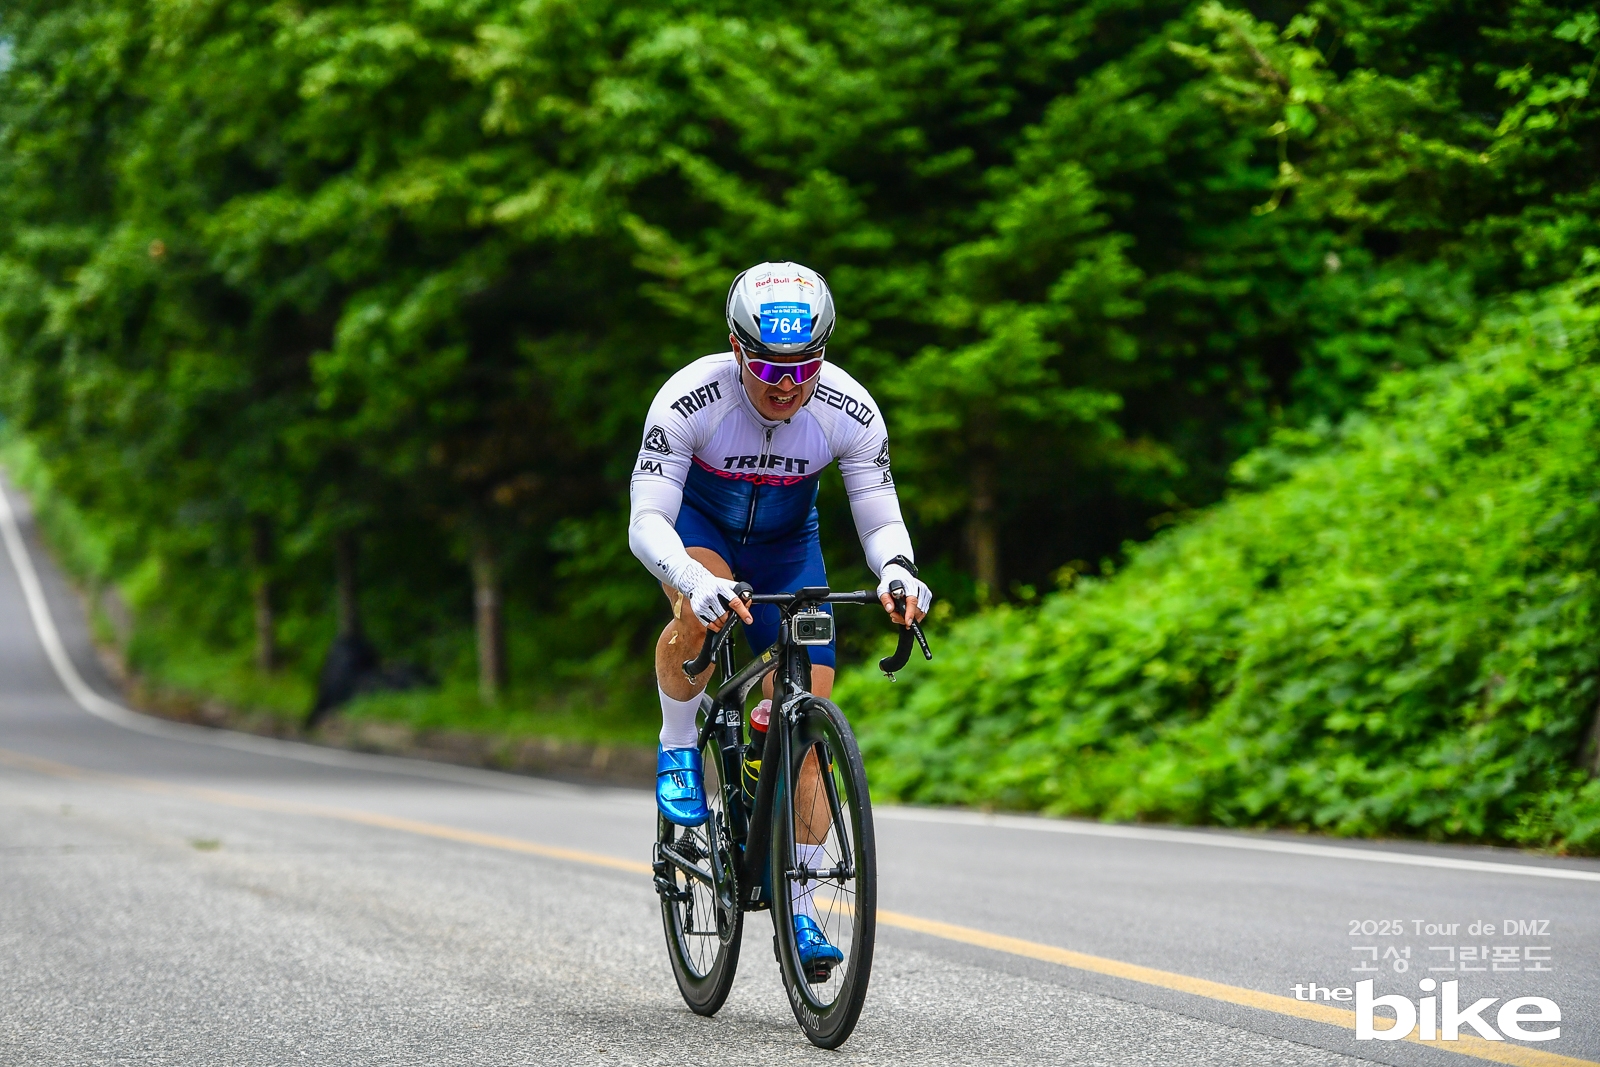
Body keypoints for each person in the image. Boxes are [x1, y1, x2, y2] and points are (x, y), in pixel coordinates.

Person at [628, 261, 931, 973]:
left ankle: (801, 904)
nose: (787, 385)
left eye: (805, 368)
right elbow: (646, 521)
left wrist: (897, 571)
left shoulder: (849, 410)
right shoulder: (690, 398)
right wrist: (690, 577)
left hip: (790, 548)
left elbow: (879, 517)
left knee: (808, 726)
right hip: (700, 533)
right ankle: (679, 746)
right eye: (768, 367)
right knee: (700, 616)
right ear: (737, 348)